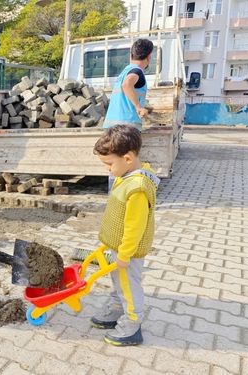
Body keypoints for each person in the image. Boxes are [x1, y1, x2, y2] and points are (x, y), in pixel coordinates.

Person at [91, 125, 160, 346]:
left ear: (128, 159)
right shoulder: (126, 174)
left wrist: (124, 254)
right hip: (119, 248)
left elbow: (134, 226)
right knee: (119, 283)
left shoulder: (137, 187)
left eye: (110, 164)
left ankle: (132, 324)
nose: (108, 169)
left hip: (127, 251)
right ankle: (116, 309)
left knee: (129, 285)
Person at [103, 38, 154, 131]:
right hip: (126, 128)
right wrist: (139, 107)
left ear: (131, 56)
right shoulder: (137, 71)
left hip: (111, 128)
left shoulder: (124, 72)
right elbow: (127, 85)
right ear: (149, 57)